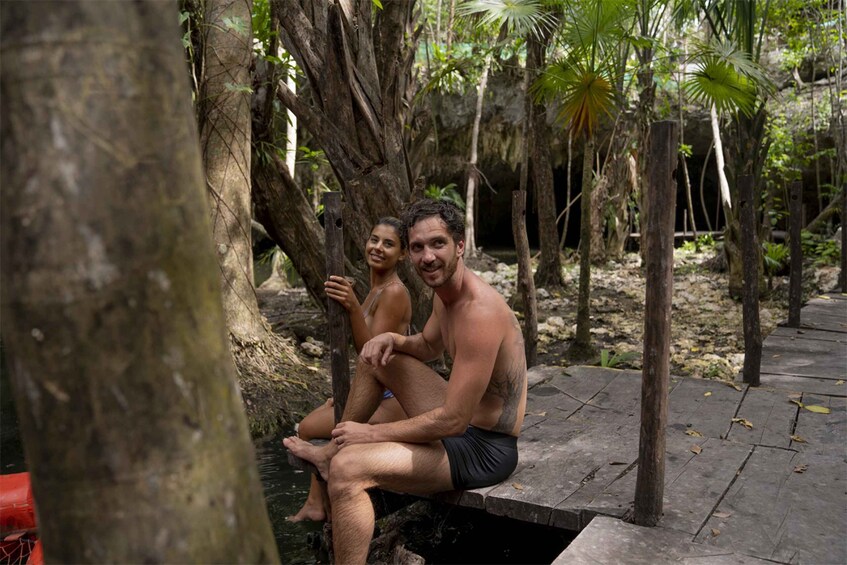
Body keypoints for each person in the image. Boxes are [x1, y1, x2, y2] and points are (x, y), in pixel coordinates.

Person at [284, 198, 528, 564]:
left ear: (460, 246)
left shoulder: (480, 312)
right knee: (374, 354)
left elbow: (452, 420)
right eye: (418, 247)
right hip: (461, 429)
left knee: (348, 469)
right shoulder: (445, 293)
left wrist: (368, 434)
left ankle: (337, 459)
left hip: (484, 450)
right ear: (409, 254)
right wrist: (393, 340)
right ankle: (332, 449)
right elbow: (428, 345)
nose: (427, 257)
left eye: (438, 244)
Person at [287, 217, 412, 522]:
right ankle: (319, 505)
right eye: (374, 239)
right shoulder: (376, 290)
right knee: (309, 425)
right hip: (374, 392)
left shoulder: (394, 292)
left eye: (389, 243)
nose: (378, 248)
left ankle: (320, 506)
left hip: (394, 399)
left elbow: (371, 354)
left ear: (403, 254)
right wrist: (346, 396)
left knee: (309, 428)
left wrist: (353, 307)